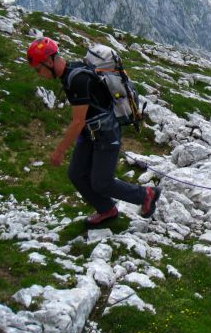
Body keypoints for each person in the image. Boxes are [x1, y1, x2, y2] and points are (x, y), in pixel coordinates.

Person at [26, 37, 160, 226]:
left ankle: (146, 195)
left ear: (49, 61)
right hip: (91, 134)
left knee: (101, 182)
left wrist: (59, 151)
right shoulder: (70, 74)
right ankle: (107, 209)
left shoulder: (77, 80)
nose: (39, 74)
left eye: (39, 69)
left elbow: (78, 121)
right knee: (76, 173)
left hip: (106, 134)